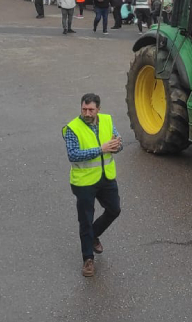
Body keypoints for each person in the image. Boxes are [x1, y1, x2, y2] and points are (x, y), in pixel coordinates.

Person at [62, 93, 122, 278]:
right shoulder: (72, 128)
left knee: (114, 209)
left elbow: (118, 143)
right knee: (85, 220)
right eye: (84, 109)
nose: (87, 113)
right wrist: (101, 149)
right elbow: (73, 154)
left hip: (106, 177)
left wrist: (116, 146)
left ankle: (92, 236)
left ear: (98, 109)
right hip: (84, 182)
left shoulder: (106, 121)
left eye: (91, 110)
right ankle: (88, 259)